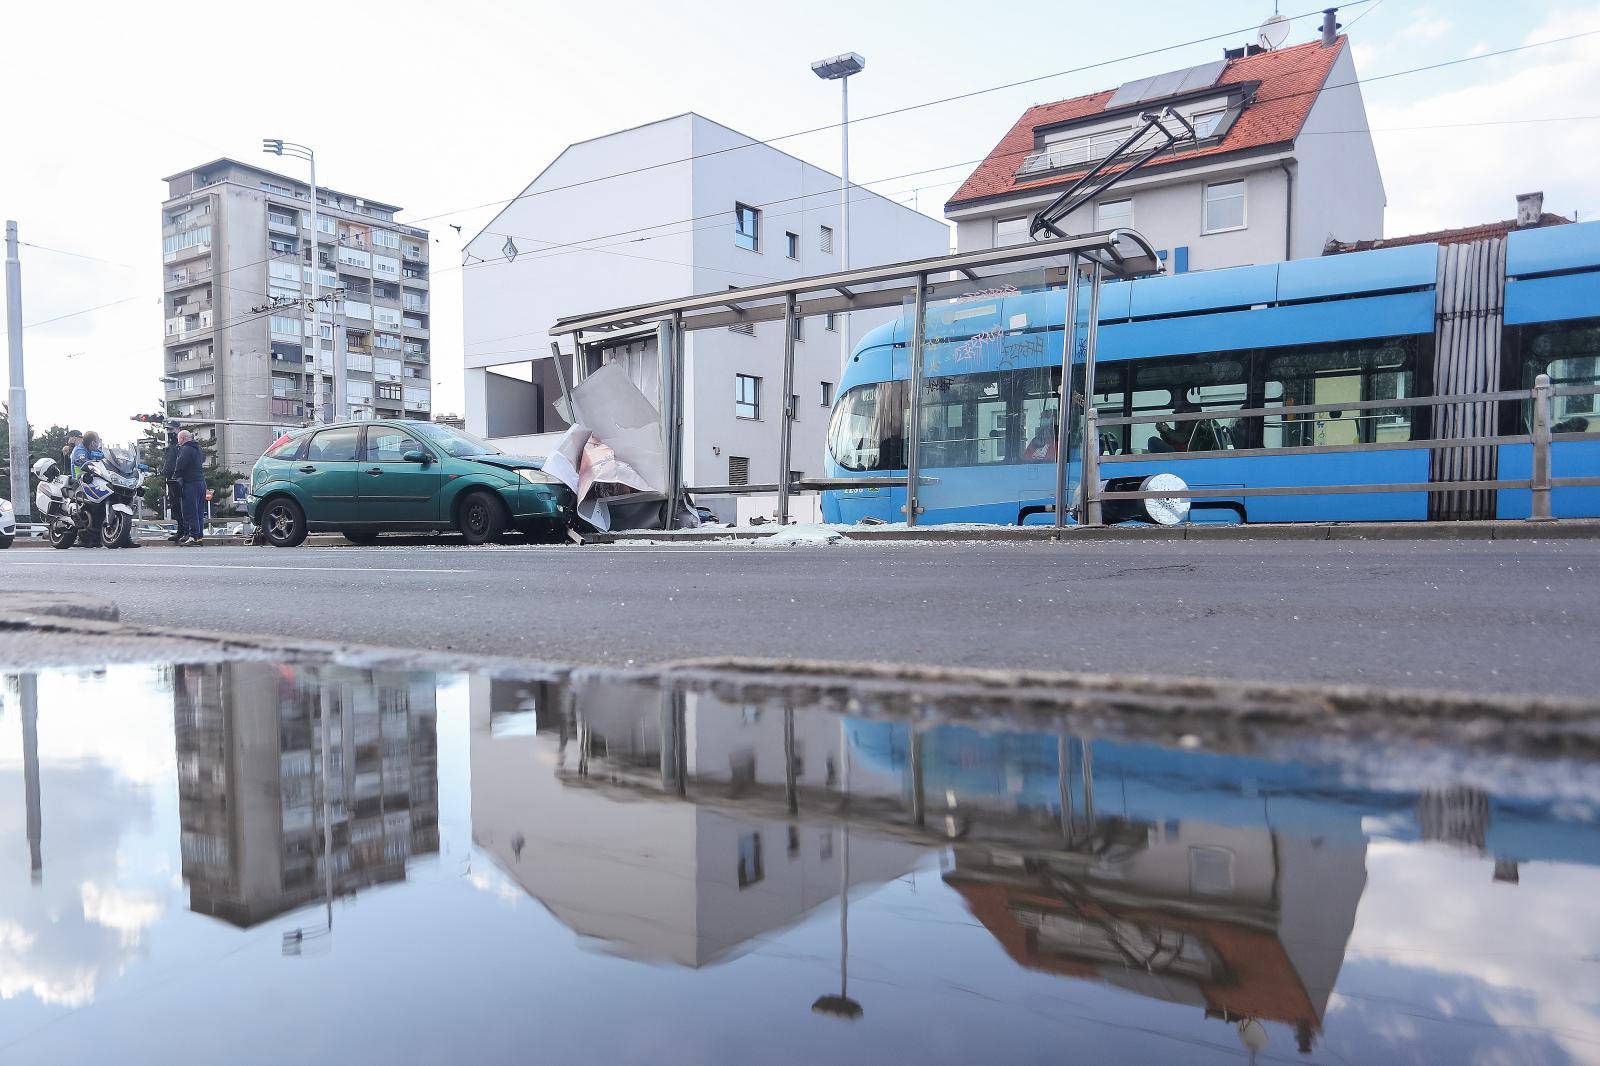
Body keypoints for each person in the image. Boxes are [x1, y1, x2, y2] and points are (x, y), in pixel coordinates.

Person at [171, 429, 207, 546]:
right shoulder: (198, 449)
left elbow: (180, 465)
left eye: (178, 439)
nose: (178, 442)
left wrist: (174, 479)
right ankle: (199, 537)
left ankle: (193, 537)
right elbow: (202, 460)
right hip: (201, 482)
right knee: (199, 511)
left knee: (190, 511)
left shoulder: (185, 449)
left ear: (182, 439)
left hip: (190, 483)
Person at [160, 424, 183, 542]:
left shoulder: (180, 446)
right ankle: (181, 531)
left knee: (180, 507)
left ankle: (184, 532)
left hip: (178, 480)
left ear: (178, 429)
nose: (169, 432)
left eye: (171, 429)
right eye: (168, 429)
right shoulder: (172, 446)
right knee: (175, 507)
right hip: (171, 480)